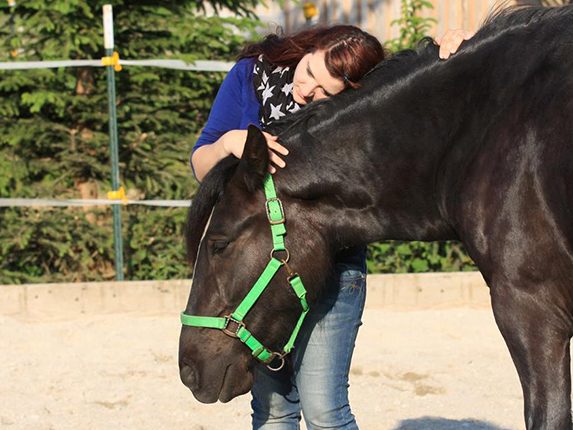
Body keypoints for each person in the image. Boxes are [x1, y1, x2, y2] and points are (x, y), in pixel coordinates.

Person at [191, 25, 469, 430]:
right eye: (308, 72)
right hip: (261, 273)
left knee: (324, 410)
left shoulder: (362, 101)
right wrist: (229, 143)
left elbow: (424, 93)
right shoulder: (252, 76)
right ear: (309, 47)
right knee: (273, 411)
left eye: (323, 91)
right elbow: (202, 167)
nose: (306, 91)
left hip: (335, 270)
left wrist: (455, 48)